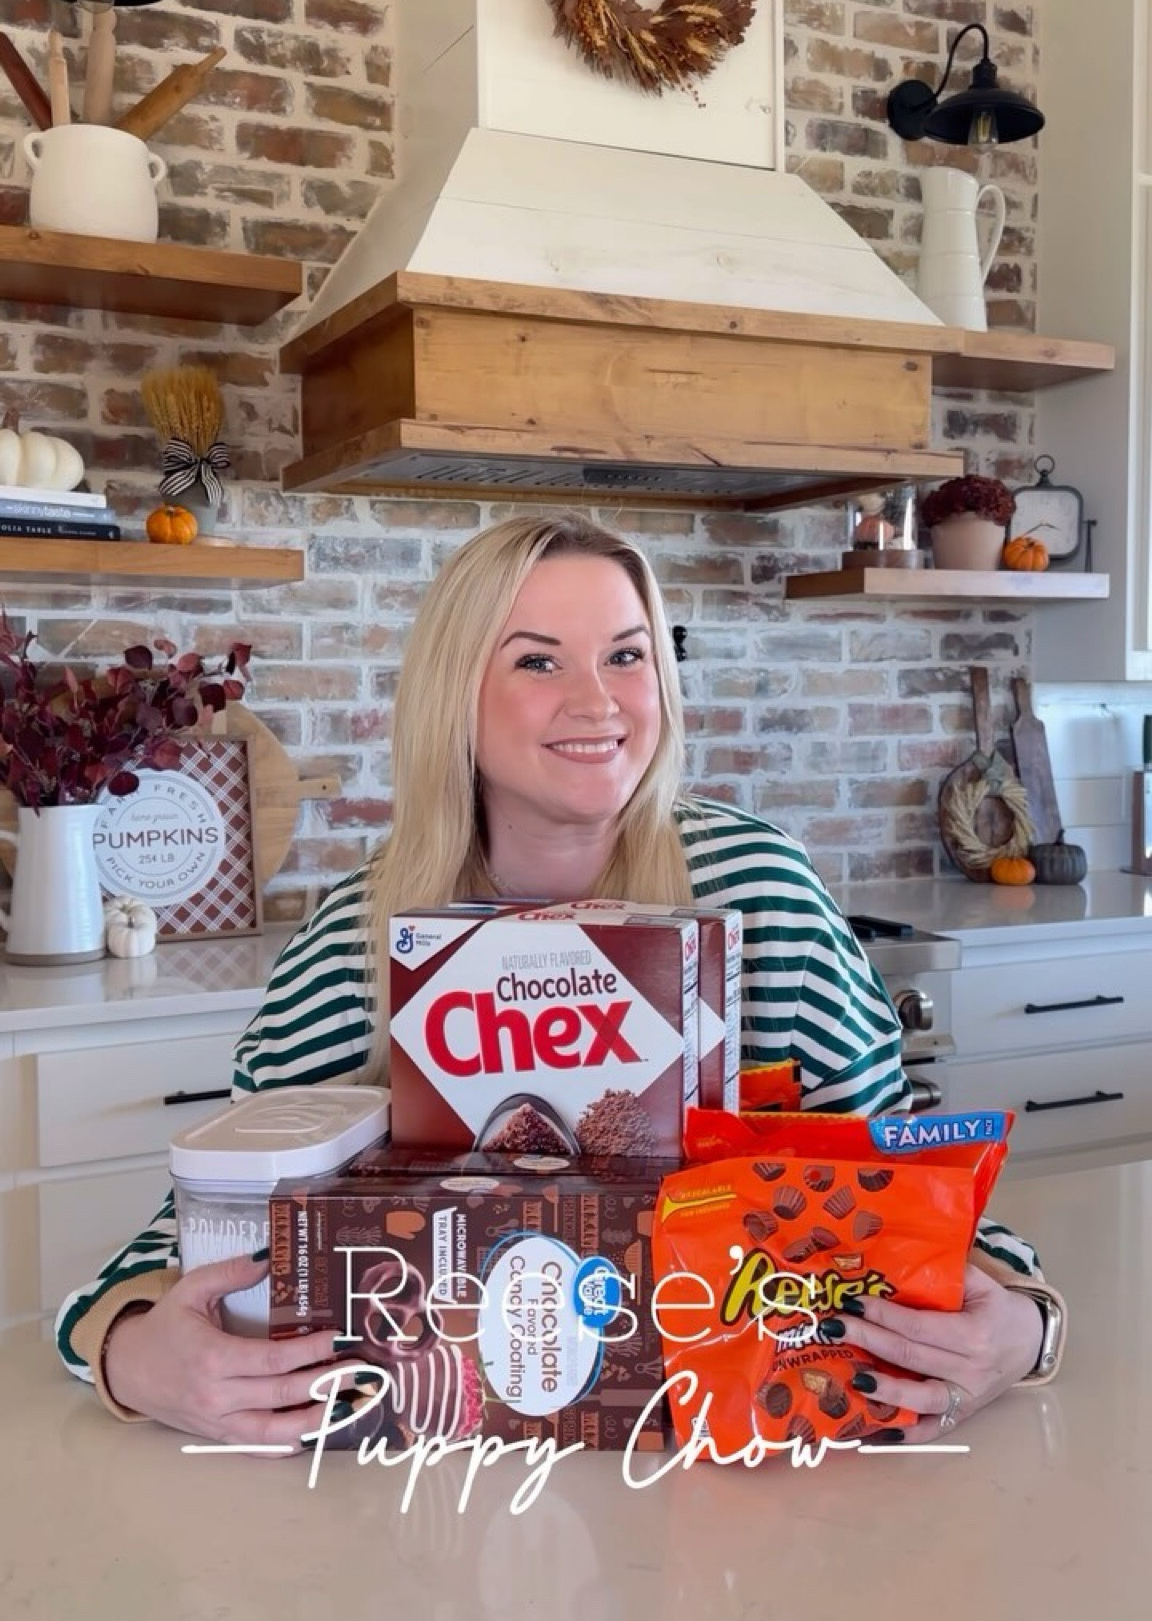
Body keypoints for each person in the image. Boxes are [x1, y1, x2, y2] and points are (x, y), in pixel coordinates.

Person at [55, 513, 1064, 1451]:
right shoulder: (353, 944)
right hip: (434, 1466)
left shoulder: (761, 893)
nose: (599, 701)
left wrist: (1024, 1327)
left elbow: (906, 1184)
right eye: (538, 661)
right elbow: (184, 1242)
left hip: (732, 1461)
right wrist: (132, 1354)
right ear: (456, 694)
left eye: (628, 656)